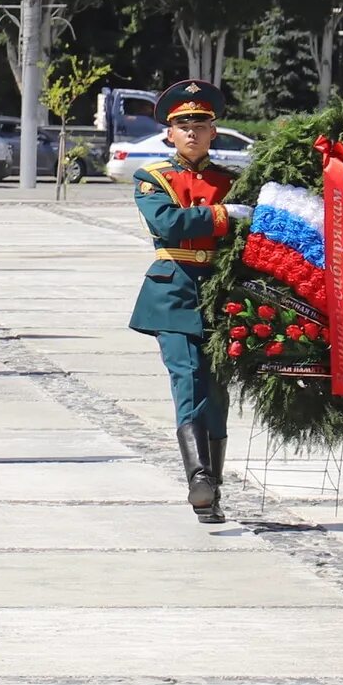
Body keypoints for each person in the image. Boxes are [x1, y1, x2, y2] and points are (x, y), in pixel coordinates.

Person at [129, 80, 239, 523]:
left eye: (201, 124)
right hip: (172, 291)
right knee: (188, 379)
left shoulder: (231, 181)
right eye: (183, 125)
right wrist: (223, 215)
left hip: (221, 292)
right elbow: (169, 223)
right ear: (168, 134)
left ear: (214, 132)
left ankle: (212, 483)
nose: (192, 132)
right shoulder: (152, 179)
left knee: (217, 391)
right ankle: (198, 478)